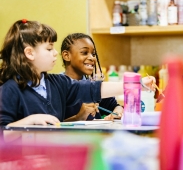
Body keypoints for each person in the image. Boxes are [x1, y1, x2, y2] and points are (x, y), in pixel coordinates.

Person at [0, 19, 155, 141]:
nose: (55, 53)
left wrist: (137, 84)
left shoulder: (57, 83)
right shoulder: (10, 89)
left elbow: (93, 88)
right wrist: (30, 122)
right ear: (30, 53)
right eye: (49, 49)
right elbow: (2, 134)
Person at [61, 33, 123, 121]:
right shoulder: (57, 87)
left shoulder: (93, 87)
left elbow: (116, 107)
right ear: (66, 56)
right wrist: (79, 117)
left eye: (93, 54)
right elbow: (51, 126)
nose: (92, 58)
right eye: (84, 53)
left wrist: (117, 113)